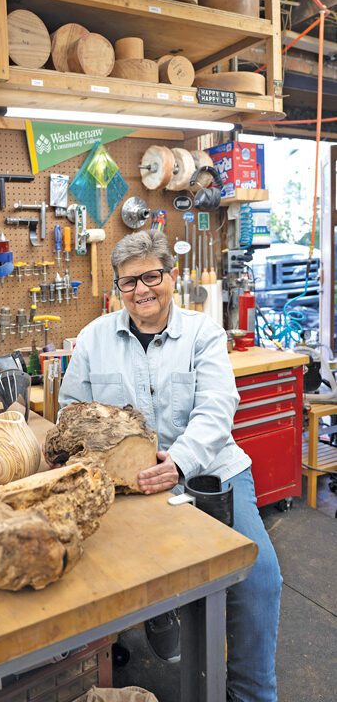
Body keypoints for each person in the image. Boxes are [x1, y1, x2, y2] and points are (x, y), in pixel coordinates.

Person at [59, 230, 282, 702]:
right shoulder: (93, 339)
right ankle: (161, 613)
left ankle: (250, 692)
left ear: (171, 277)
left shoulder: (204, 332)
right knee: (109, 573)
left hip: (209, 471)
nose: (142, 290)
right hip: (129, 482)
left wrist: (178, 462)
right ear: (117, 289)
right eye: (129, 282)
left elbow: (219, 406)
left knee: (260, 579)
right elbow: (71, 410)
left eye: (151, 276)